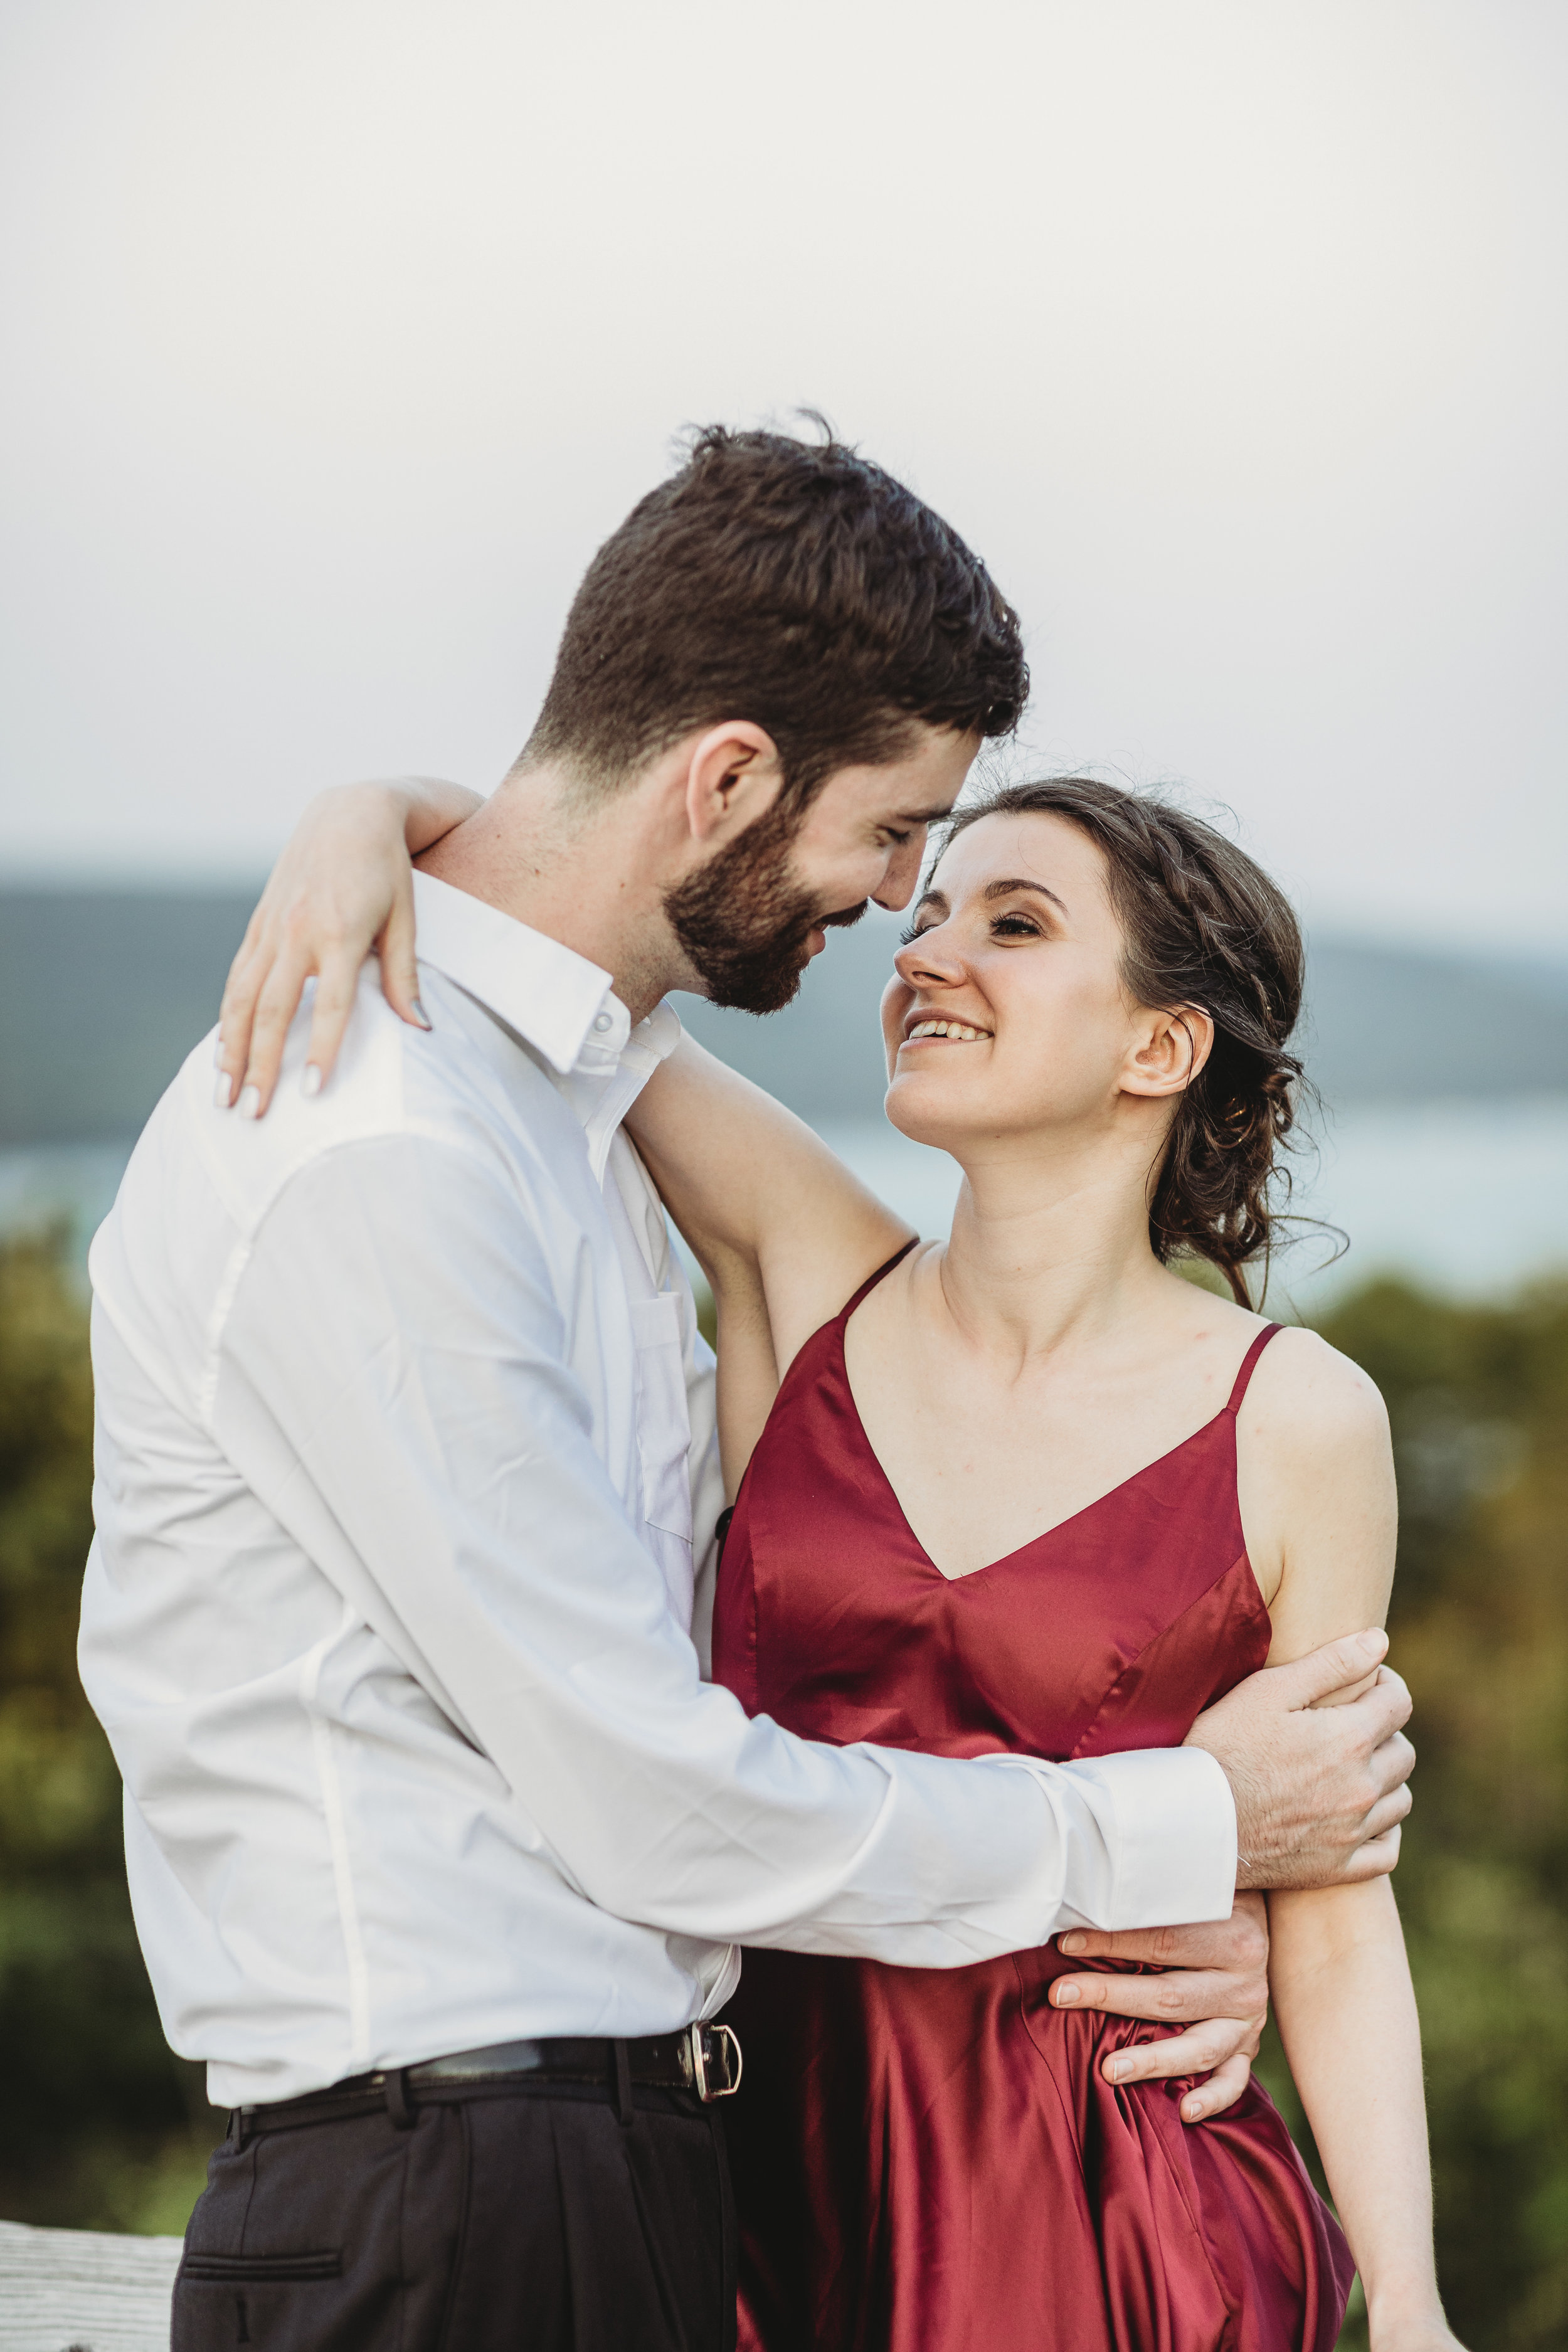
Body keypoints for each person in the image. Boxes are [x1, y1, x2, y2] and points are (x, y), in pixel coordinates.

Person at [86, 427, 1414, 2352]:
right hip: (463, 2182)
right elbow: (658, 1806)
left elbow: (1332, 1863)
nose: (901, 919)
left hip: (715, 2168)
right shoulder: (400, 1154)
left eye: (986, 905)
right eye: (899, 846)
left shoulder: (559, 1106)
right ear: (726, 779)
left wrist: (377, 807)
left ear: (1162, 1048)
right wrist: (1174, 1825)